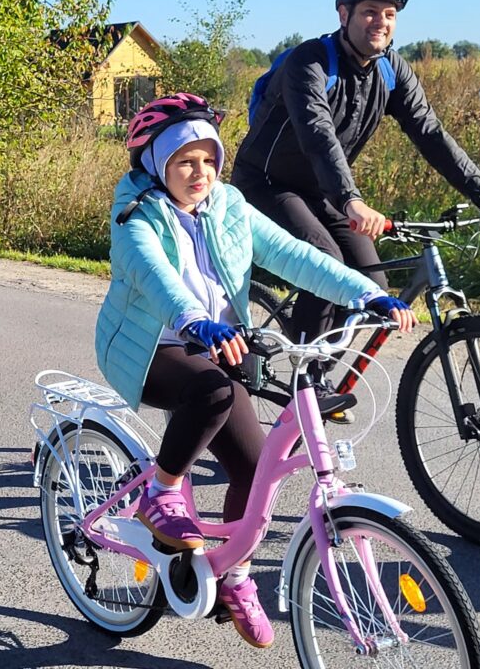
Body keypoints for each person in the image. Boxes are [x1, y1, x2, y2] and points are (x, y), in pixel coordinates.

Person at [94, 93, 416, 649]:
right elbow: (154, 277)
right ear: (155, 166)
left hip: (216, 343)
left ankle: (235, 578)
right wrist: (196, 320)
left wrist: (366, 293)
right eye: (184, 162)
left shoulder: (228, 205)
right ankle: (161, 493)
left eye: (209, 159)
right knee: (215, 394)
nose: (200, 173)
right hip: (151, 345)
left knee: (254, 464)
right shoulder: (134, 215)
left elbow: (295, 256)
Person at [231, 0, 480, 369]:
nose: (381, 23)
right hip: (265, 183)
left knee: (372, 284)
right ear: (343, 15)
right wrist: (351, 200)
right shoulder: (310, 61)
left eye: (390, 15)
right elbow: (317, 134)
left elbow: (431, 134)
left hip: (322, 192)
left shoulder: (391, 70)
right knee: (328, 263)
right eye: (370, 12)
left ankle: (320, 368)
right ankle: (306, 383)